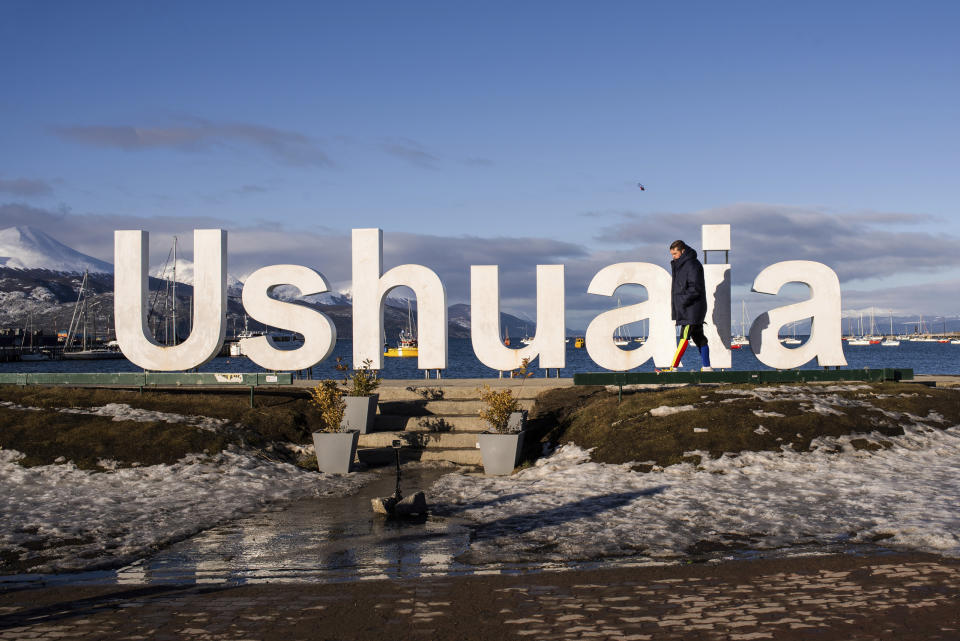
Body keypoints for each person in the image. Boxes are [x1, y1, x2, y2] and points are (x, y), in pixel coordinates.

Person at [669, 239, 711, 371]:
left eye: (675, 254)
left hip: (691, 309)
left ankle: (673, 367)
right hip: (690, 308)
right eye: (672, 255)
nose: (673, 257)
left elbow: (695, 288)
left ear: (683, 251)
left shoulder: (692, 265)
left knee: (683, 337)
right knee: (700, 338)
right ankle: (707, 367)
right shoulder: (681, 265)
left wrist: (682, 301)